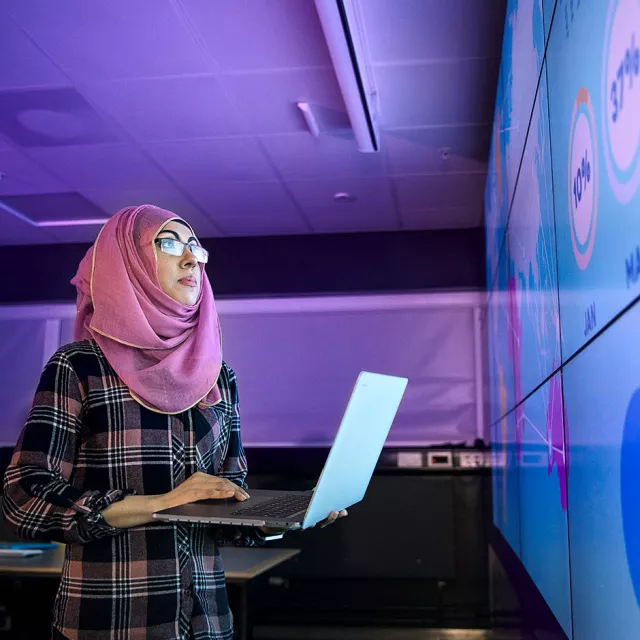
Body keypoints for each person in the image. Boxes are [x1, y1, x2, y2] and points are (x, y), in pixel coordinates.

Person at [1, 205, 346, 640]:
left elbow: (225, 498)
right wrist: (161, 503)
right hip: (111, 621)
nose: (191, 259)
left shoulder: (219, 375)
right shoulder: (79, 366)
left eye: (195, 247)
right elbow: (23, 499)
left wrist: (270, 519)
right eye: (168, 244)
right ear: (128, 262)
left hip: (208, 623)